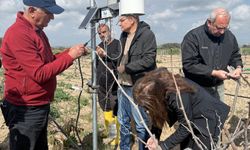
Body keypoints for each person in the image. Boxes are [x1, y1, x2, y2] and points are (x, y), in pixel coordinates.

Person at [0, 0, 88, 149]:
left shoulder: (38, 32)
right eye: (48, 12)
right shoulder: (19, 33)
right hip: (26, 109)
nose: (52, 17)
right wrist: (70, 56)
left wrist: (70, 52)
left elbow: (49, 61)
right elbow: (39, 73)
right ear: (32, 11)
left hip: (38, 104)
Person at [133, 67, 230, 150]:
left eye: (148, 107)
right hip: (191, 119)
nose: (147, 111)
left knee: (199, 146)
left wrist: (164, 146)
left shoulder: (176, 94)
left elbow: (186, 126)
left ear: (155, 97)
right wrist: (155, 136)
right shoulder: (159, 89)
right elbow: (159, 114)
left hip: (208, 119)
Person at [181, 8, 243, 101]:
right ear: (209, 23)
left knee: (219, 114)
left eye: (225, 28)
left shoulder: (229, 37)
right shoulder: (193, 37)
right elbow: (189, 64)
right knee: (199, 115)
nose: (222, 32)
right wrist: (214, 73)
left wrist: (238, 67)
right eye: (219, 28)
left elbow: (235, 56)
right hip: (196, 87)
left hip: (219, 86)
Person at [117, 14, 157, 150]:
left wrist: (127, 68)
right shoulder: (123, 36)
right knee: (123, 121)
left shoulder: (147, 35)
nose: (119, 24)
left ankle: (143, 148)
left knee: (140, 124)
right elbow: (120, 57)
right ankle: (124, 148)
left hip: (138, 86)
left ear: (132, 20)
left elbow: (149, 60)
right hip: (122, 84)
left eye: (122, 20)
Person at [95, 23, 121, 145]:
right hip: (102, 83)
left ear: (109, 32)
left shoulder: (117, 44)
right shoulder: (99, 46)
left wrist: (106, 55)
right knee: (105, 108)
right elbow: (96, 65)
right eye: (99, 33)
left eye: (104, 32)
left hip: (114, 83)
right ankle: (110, 132)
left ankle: (118, 137)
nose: (101, 35)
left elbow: (118, 58)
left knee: (115, 108)